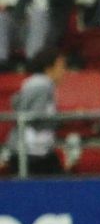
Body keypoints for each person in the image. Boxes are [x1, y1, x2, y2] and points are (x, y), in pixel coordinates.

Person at [4, 47, 67, 175]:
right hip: (32, 152)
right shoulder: (41, 86)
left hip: (35, 150)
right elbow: (34, 118)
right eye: (61, 67)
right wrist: (62, 121)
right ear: (49, 68)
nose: (64, 72)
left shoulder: (37, 84)